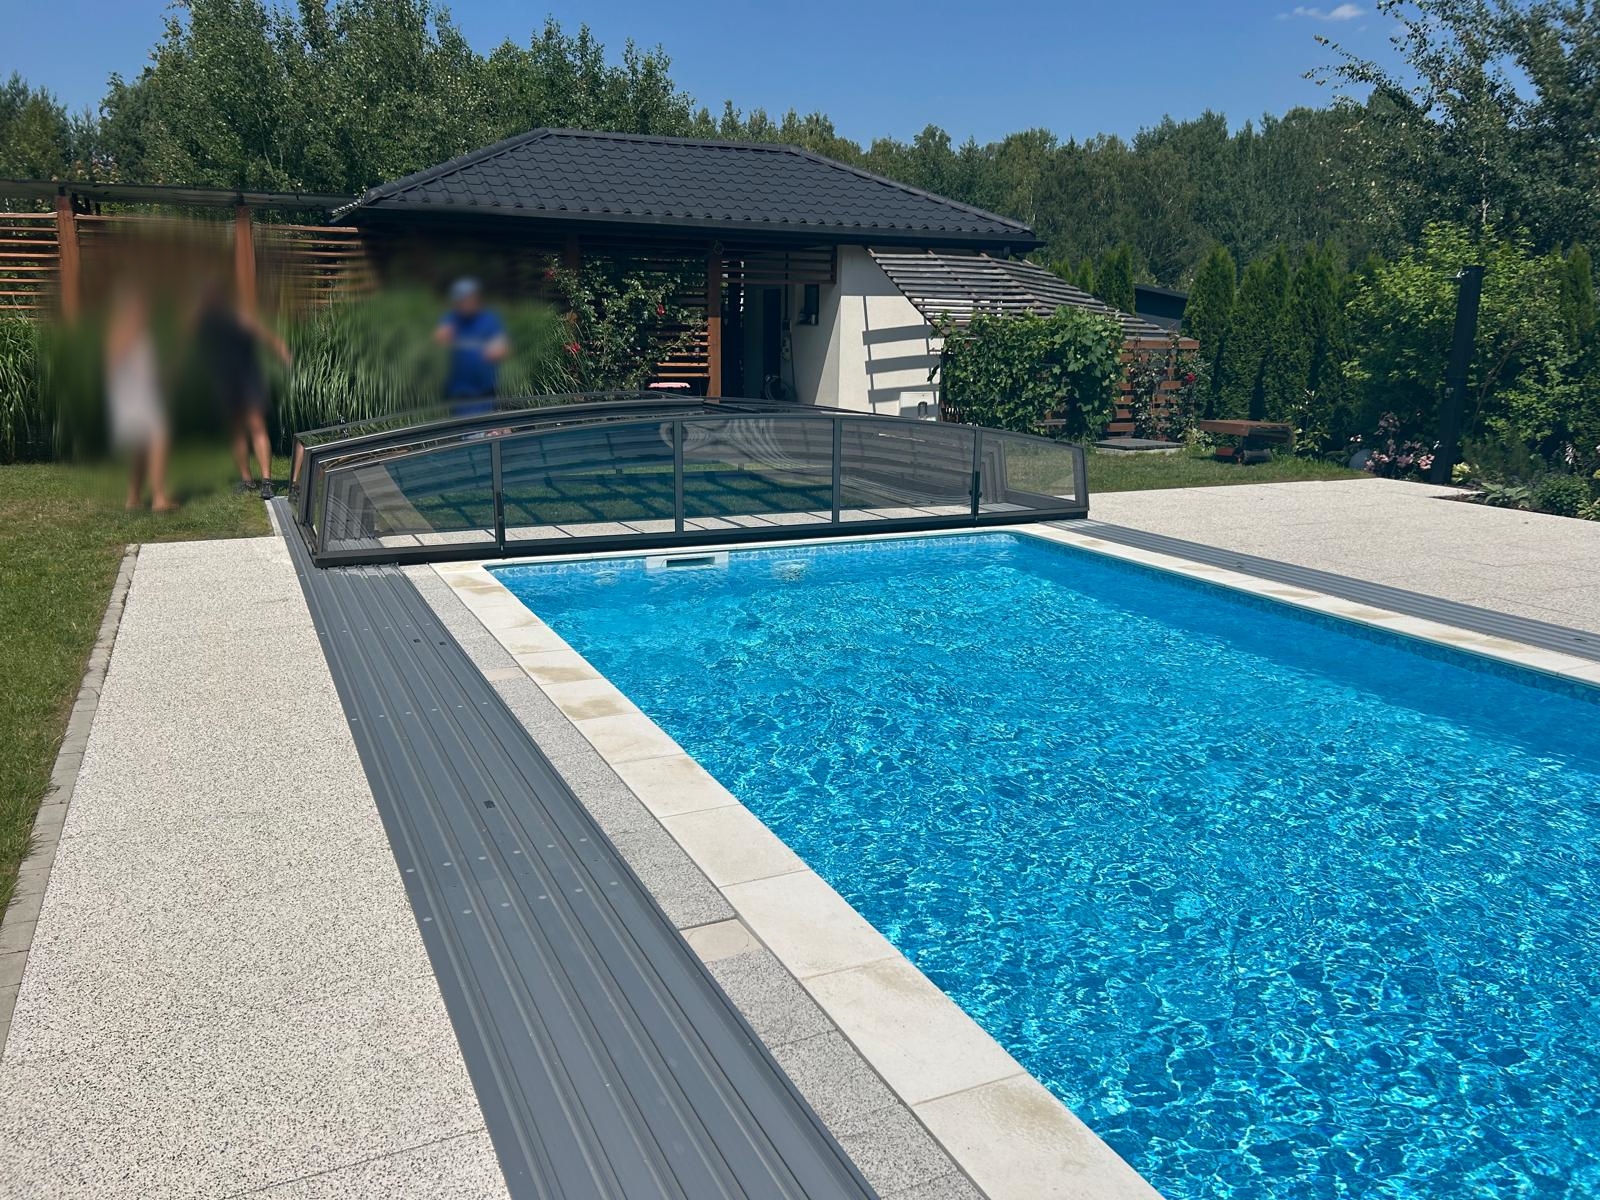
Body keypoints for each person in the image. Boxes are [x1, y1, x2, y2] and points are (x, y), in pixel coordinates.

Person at [196, 284, 291, 500]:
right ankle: (247, 480)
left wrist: (282, 351)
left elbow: (266, 336)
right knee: (236, 431)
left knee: (257, 426)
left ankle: (266, 481)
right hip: (227, 382)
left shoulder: (239, 318)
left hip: (249, 379)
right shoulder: (208, 324)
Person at [105, 285, 176, 512]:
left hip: (138, 393)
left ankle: (134, 498)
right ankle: (159, 499)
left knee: (141, 447)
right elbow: (115, 363)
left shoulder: (135, 329)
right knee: (159, 437)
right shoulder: (126, 328)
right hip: (134, 394)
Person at [434, 278, 508, 417]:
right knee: (464, 426)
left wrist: (496, 352)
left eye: (468, 299)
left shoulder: (489, 319)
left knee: (485, 425)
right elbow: (439, 338)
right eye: (461, 300)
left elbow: (503, 348)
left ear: (477, 299)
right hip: (460, 391)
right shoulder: (452, 318)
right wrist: (444, 336)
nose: (465, 304)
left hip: (485, 390)